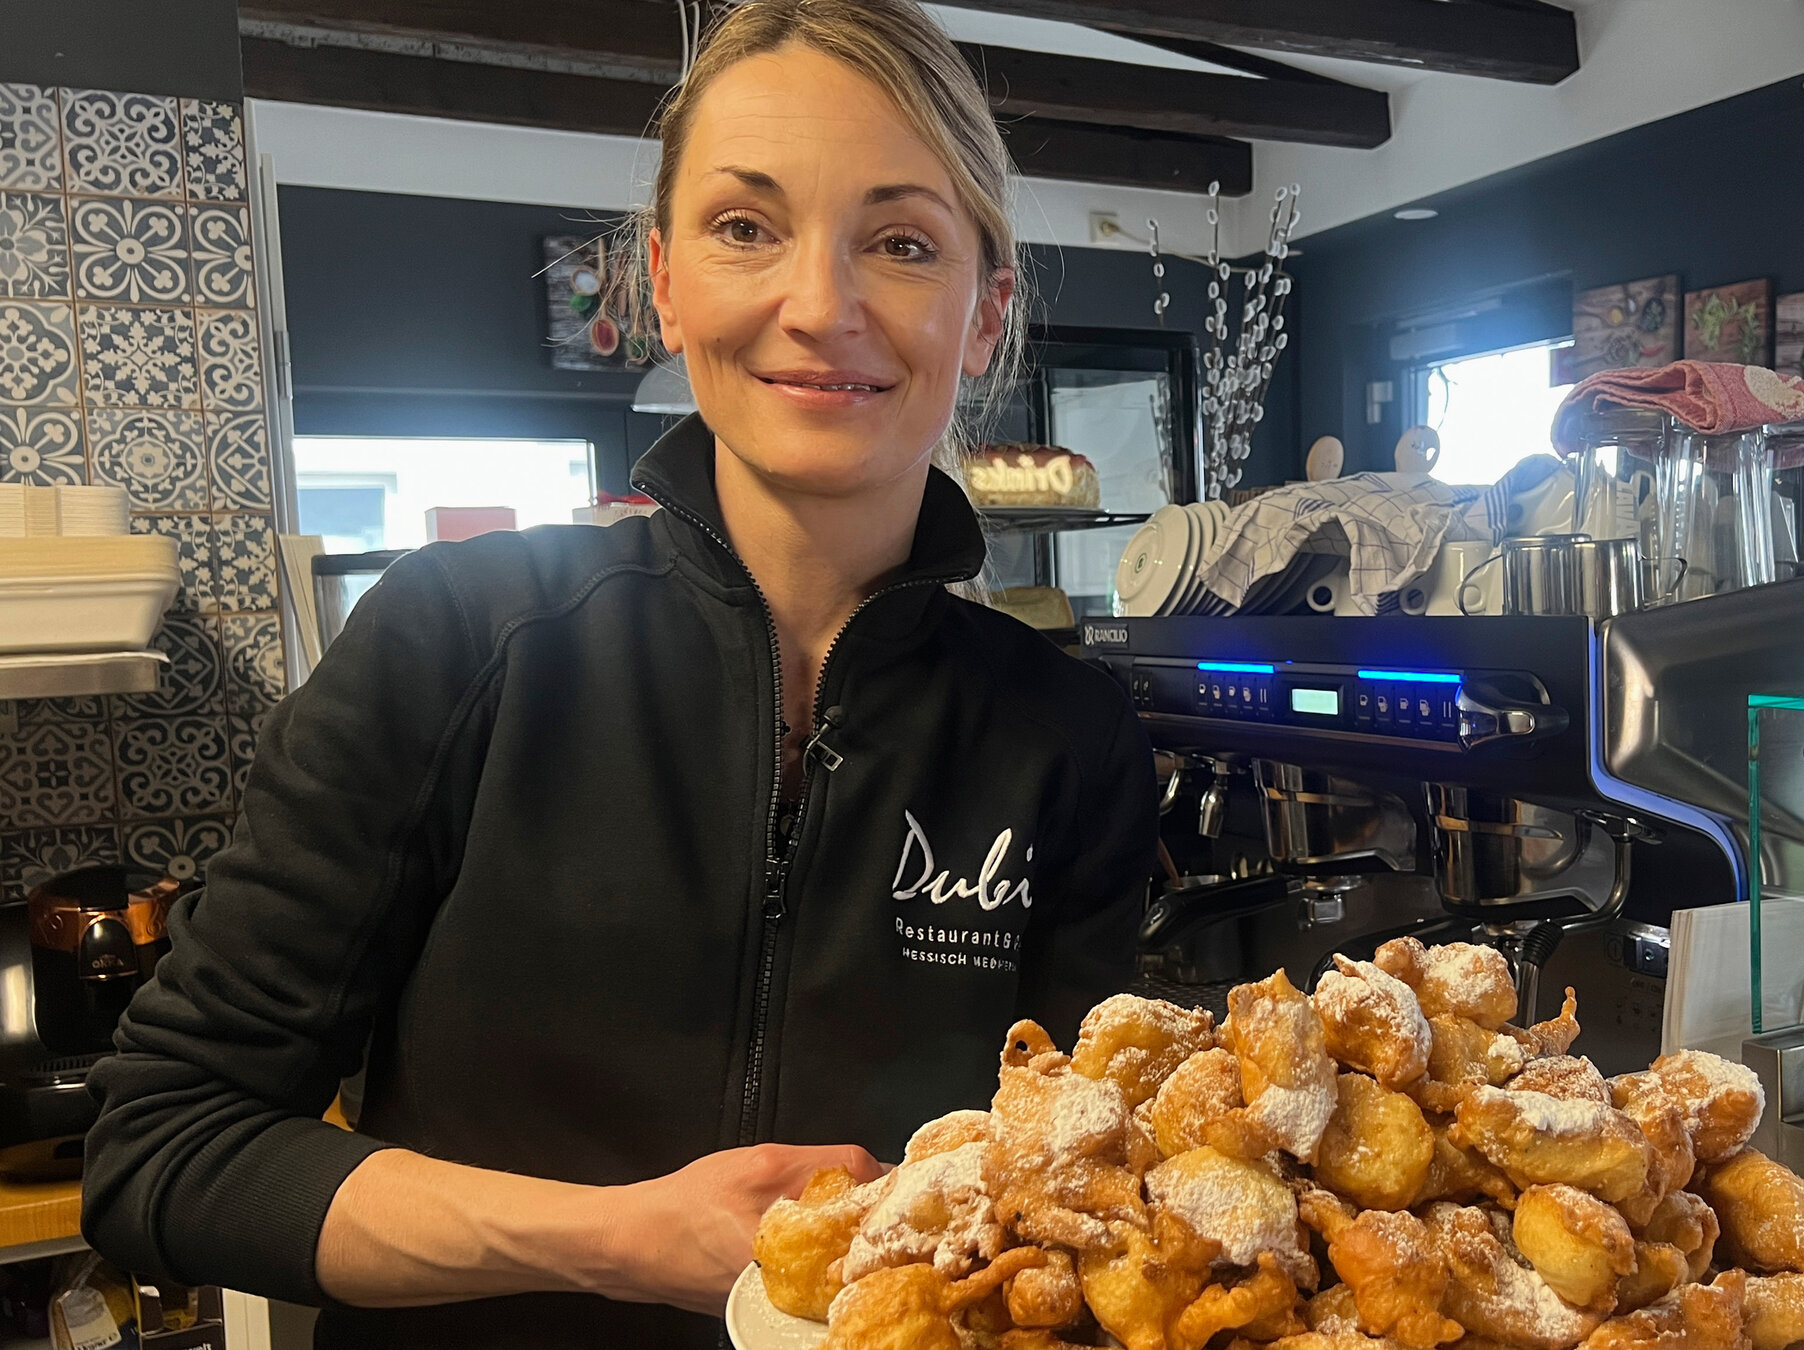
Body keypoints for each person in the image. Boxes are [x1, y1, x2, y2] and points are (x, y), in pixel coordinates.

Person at [79, 3, 1157, 1345]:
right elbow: (167, 1144)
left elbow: (1078, 1204)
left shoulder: (1066, 735)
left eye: (900, 242)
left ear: (985, 311)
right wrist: (621, 1241)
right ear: (664, 280)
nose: (819, 307)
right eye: (746, 227)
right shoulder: (457, 641)